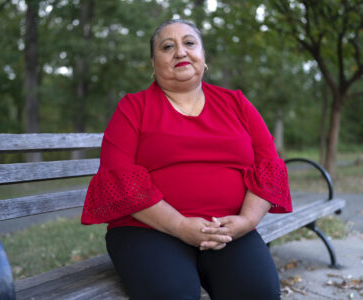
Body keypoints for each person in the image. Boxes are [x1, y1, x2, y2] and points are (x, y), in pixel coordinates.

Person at [81, 19, 292, 300]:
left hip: (227, 230)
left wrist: (246, 220)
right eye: (167, 46)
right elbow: (119, 177)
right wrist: (180, 225)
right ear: (153, 64)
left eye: (189, 43)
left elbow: (268, 166)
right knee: (172, 293)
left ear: (203, 58)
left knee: (258, 292)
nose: (180, 52)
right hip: (149, 230)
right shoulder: (133, 107)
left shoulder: (236, 103)